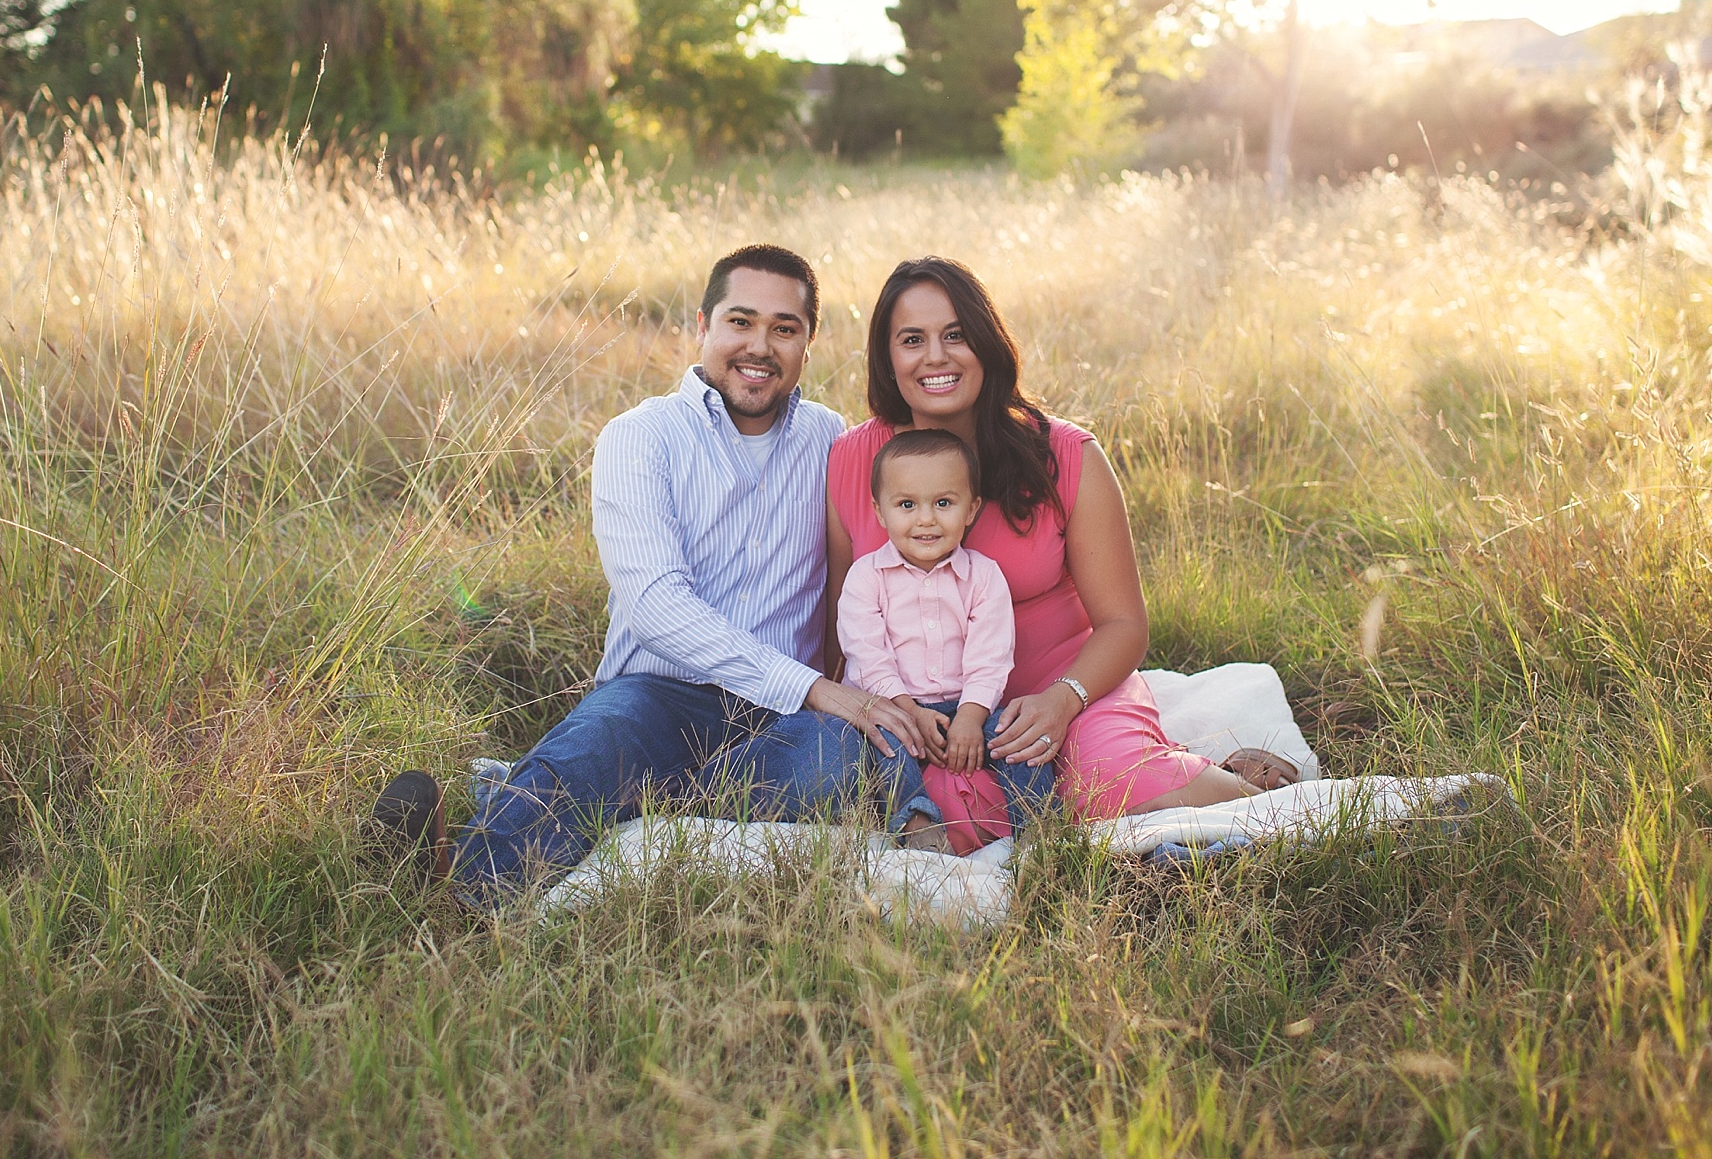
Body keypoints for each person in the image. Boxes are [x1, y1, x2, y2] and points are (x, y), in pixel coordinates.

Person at [373, 244, 935, 899]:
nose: (760, 345)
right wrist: (813, 687)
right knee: (611, 737)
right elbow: (658, 608)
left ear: (808, 343)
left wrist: (833, 695)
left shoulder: (829, 440)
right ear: (702, 326)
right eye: (741, 322)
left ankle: (569, 792)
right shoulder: (639, 437)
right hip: (660, 695)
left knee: (835, 757)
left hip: (777, 722)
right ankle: (459, 888)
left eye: (785, 328)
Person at [825, 256, 1294, 854]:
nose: (935, 357)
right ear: (887, 358)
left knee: (1108, 780)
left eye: (956, 335)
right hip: (928, 713)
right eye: (911, 340)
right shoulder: (851, 459)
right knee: (935, 810)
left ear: (988, 344)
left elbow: (1124, 625)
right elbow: (842, 621)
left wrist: (1061, 700)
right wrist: (882, 711)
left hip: (1064, 688)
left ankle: (1232, 785)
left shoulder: (1067, 456)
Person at [835, 428, 1057, 852]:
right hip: (892, 706)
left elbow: (990, 656)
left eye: (943, 503)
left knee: (1018, 738)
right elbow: (866, 656)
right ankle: (919, 822)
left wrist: (972, 718)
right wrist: (907, 711)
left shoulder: (983, 576)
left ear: (971, 509)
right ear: (879, 512)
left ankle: (1040, 829)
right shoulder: (865, 578)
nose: (925, 519)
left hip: (968, 704)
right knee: (881, 741)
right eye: (906, 505)